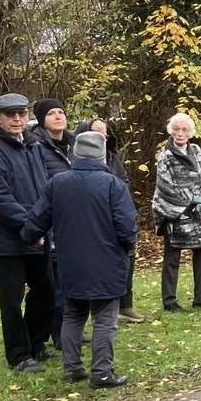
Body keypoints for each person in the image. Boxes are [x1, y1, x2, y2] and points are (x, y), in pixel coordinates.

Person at [21, 131, 136, 388]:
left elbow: (37, 219)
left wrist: (28, 236)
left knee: (73, 314)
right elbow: (127, 226)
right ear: (102, 154)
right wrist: (127, 247)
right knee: (105, 318)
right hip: (107, 261)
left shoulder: (58, 183)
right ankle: (102, 372)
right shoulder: (113, 185)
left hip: (69, 261)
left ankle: (72, 368)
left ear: (76, 153)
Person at [0, 92, 53, 373]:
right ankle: (19, 355)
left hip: (38, 232)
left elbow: (45, 186)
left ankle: (36, 343)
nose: (17, 119)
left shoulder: (34, 142)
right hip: (8, 239)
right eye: (10, 114)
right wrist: (31, 227)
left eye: (22, 113)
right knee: (12, 299)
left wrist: (44, 223)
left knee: (46, 291)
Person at [76, 119, 143, 322]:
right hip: (93, 220)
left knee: (127, 258)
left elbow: (124, 182)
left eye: (104, 134)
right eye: (97, 133)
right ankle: (96, 310)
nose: (102, 137)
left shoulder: (113, 158)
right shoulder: (77, 160)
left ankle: (125, 305)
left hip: (117, 215)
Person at [152, 113, 201, 311]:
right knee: (172, 256)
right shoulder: (165, 155)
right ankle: (169, 301)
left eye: (184, 129)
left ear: (190, 132)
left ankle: (200, 297)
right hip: (175, 212)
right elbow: (165, 186)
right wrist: (191, 201)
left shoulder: (196, 150)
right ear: (171, 131)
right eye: (176, 129)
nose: (180, 133)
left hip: (198, 212)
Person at [28, 98, 72, 350]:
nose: (58, 116)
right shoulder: (36, 147)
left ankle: (70, 329)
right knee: (54, 286)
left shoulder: (73, 144)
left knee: (71, 281)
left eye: (61, 112)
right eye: (51, 113)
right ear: (41, 120)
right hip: (52, 224)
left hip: (74, 222)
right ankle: (57, 334)